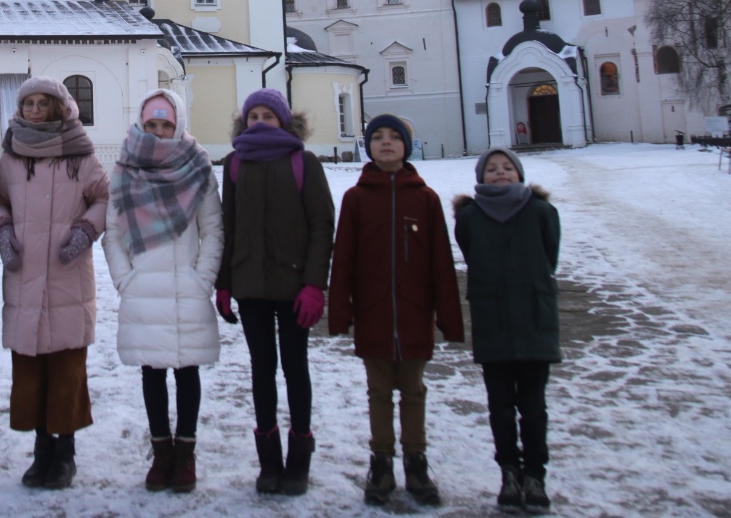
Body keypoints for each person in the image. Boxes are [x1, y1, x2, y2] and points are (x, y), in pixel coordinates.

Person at [328, 112, 464, 506]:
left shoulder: (425, 198)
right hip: (373, 312)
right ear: (368, 146)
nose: (386, 142)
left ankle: (416, 462)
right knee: (378, 391)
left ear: (407, 145)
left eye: (394, 137)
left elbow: (441, 261)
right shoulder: (356, 198)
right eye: (378, 137)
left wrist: (448, 318)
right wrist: (341, 312)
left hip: (414, 312)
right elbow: (345, 258)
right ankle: (382, 461)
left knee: (414, 390)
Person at [214, 89, 335, 496]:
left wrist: (315, 284)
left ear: (284, 121)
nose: (260, 121)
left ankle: (299, 459)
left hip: (294, 285)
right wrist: (225, 282)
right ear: (243, 122)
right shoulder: (234, 165)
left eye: (268, 115)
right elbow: (227, 227)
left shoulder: (303, 163)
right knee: (261, 370)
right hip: (250, 285)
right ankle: (269, 462)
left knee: (295, 368)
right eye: (254, 116)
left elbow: (322, 226)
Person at [103, 89, 223, 493]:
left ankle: (185, 453)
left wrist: (202, 278)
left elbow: (213, 230)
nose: (158, 132)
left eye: (165, 124)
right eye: (151, 125)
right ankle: (161, 453)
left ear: (178, 124)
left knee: (187, 372)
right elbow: (112, 235)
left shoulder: (198, 167)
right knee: (152, 373)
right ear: (141, 124)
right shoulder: (125, 167)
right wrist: (125, 278)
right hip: (143, 288)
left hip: (186, 287)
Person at [0, 76, 109, 490]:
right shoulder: (10, 158)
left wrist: (85, 230)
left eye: (44, 103)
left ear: (60, 108)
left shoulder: (81, 154)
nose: (36, 110)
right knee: (29, 370)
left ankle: (65, 454)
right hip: (24, 278)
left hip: (67, 277)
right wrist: (3, 231)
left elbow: (104, 198)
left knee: (66, 371)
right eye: (29, 104)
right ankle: (41, 451)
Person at [454, 148, 560, 512]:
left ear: (519, 173)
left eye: (507, 168)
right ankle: (509, 475)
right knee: (500, 407)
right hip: (493, 320)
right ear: (481, 178)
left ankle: (535, 476)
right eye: (492, 169)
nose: (500, 173)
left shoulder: (541, 212)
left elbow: (550, 256)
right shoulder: (470, 217)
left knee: (533, 407)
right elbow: (471, 252)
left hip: (533, 320)